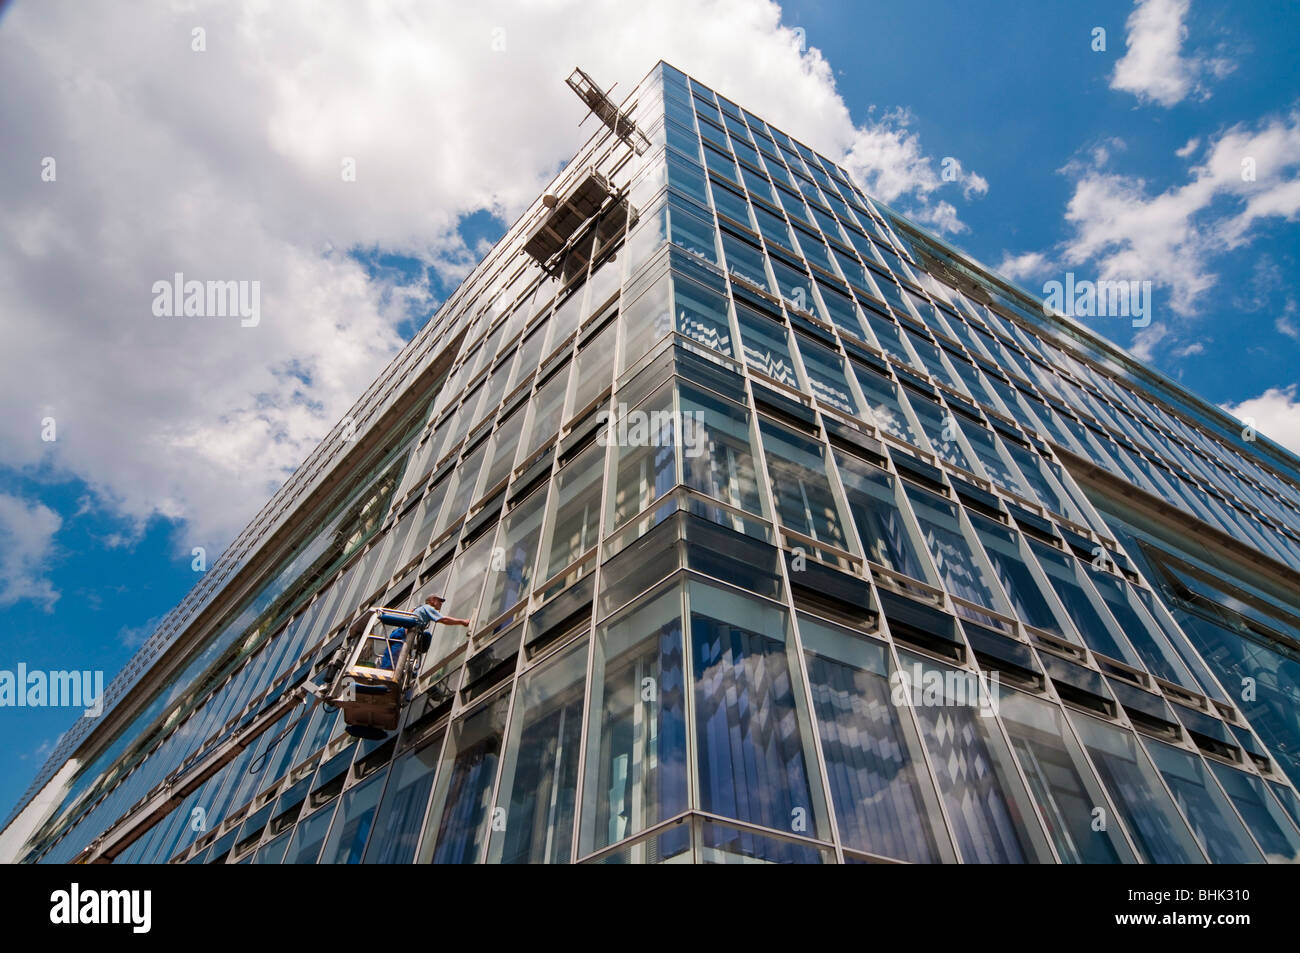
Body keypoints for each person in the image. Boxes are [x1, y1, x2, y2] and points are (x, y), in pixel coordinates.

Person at [378, 594, 470, 669]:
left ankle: (385, 674)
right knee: (391, 662)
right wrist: (462, 622)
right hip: (402, 634)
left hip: (400, 633)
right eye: (439, 601)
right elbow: (443, 620)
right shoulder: (428, 608)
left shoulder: (421, 608)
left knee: (390, 658)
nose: (441, 604)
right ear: (433, 600)